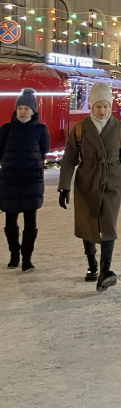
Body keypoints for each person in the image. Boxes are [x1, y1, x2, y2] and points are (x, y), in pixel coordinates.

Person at [58, 81, 121, 291]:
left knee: (108, 225)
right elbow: (69, 159)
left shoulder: (120, 128)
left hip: (112, 181)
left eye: (106, 106)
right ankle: (92, 264)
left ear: (111, 107)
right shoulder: (80, 129)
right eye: (98, 106)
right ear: (91, 106)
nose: (102, 111)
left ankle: (105, 269)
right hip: (87, 181)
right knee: (87, 224)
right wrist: (64, 186)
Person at [1, 89, 49, 271]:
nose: (22, 112)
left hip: (31, 182)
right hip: (10, 181)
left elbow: (43, 152)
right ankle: (14, 254)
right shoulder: (6, 130)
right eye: (19, 108)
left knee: (31, 222)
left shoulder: (40, 130)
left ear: (34, 111)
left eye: (26, 108)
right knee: (10, 222)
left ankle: (27, 258)